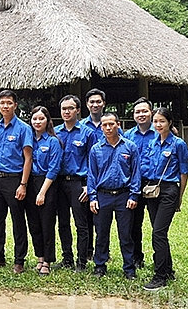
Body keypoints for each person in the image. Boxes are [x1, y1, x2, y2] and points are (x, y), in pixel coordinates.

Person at [0, 90, 33, 274]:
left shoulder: (23, 128)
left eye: (9, 103)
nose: (5, 106)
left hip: (15, 180)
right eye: (2, 103)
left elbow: (28, 158)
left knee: (18, 221)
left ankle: (19, 260)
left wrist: (23, 184)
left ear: (15, 105)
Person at [141, 107, 188, 291]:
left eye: (162, 121)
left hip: (169, 190)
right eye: (155, 121)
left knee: (158, 233)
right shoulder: (152, 143)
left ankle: (160, 276)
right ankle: (168, 270)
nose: (158, 124)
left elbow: (184, 172)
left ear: (170, 122)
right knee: (158, 231)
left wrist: (180, 196)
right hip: (152, 191)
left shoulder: (178, 144)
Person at [87, 112, 140, 280]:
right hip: (103, 196)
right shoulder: (96, 149)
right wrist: (92, 197)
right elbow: (91, 175)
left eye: (111, 124)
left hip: (124, 195)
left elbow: (136, 173)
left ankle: (129, 268)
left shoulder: (130, 147)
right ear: (101, 127)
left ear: (118, 124)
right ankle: (100, 265)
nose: (108, 128)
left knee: (126, 234)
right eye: (105, 125)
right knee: (101, 233)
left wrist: (134, 195)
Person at [54, 95, 94, 272]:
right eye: (64, 109)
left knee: (81, 224)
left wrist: (88, 185)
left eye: (70, 108)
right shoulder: (55, 132)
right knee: (63, 222)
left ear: (78, 110)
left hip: (79, 183)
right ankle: (67, 258)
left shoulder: (87, 133)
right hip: (59, 183)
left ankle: (82, 261)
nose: (67, 112)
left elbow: (93, 161)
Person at [24, 106, 62, 276]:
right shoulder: (29, 139)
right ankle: (39, 257)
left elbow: (54, 169)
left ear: (48, 121)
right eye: (34, 119)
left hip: (47, 183)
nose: (37, 122)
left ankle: (47, 260)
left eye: (41, 119)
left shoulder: (53, 141)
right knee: (33, 223)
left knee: (47, 223)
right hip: (29, 182)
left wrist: (42, 192)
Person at [124, 97, 157, 270]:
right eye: (137, 112)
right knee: (133, 224)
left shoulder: (160, 132)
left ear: (151, 112)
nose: (141, 114)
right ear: (133, 115)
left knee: (157, 226)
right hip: (133, 186)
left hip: (154, 186)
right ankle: (136, 257)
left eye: (144, 111)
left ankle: (159, 258)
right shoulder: (128, 135)